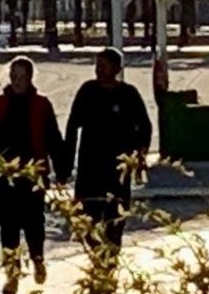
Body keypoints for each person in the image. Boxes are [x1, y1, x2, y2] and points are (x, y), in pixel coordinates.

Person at [61, 47, 151, 258]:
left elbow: (144, 127)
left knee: (115, 223)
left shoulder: (128, 94)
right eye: (97, 66)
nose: (98, 70)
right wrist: (65, 164)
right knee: (85, 220)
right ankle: (98, 258)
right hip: (90, 168)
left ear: (117, 68)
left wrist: (138, 157)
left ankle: (109, 264)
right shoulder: (88, 91)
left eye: (103, 65)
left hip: (117, 172)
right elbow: (72, 126)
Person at [0, 56, 65, 294]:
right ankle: (12, 274)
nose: (17, 81)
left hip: (34, 173)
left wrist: (61, 170)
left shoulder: (42, 106)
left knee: (35, 223)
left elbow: (53, 138)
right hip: (5, 176)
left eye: (22, 76)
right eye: (14, 76)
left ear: (30, 78)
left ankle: (38, 259)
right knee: (8, 227)